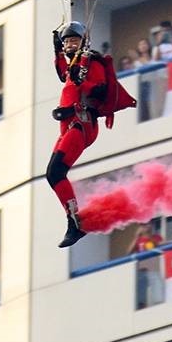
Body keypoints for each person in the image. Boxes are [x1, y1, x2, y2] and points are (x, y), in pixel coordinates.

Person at [47, 21, 138, 247]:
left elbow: (99, 88)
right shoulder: (74, 67)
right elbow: (63, 73)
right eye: (66, 41)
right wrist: (57, 50)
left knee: (56, 171)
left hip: (81, 123)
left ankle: (74, 223)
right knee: (53, 174)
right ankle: (75, 222)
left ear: (83, 42)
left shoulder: (90, 61)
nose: (69, 45)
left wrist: (84, 83)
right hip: (70, 125)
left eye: (73, 40)